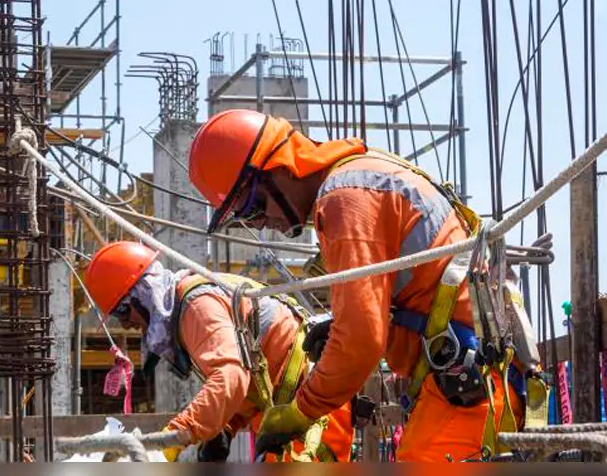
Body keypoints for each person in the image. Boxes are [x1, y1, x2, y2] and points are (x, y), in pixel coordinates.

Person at [186, 108, 543, 462]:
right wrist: (353, 327)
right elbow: (412, 297)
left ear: (278, 168)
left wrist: (300, 412)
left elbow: (359, 341)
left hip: (467, 386)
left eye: (251, 207)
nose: (262, 222)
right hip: (469, 379)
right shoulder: (360, 177)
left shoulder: (344, 200)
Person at [80, 239, 355, 462]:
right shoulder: (189, 309)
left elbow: (232, 378)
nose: (127, 326)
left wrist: (171, 440)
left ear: (139, 298)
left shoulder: (196, 307)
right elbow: (252, 372)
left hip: (310, 412)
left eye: (122, 315)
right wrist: (225, 427)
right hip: (291, 410)